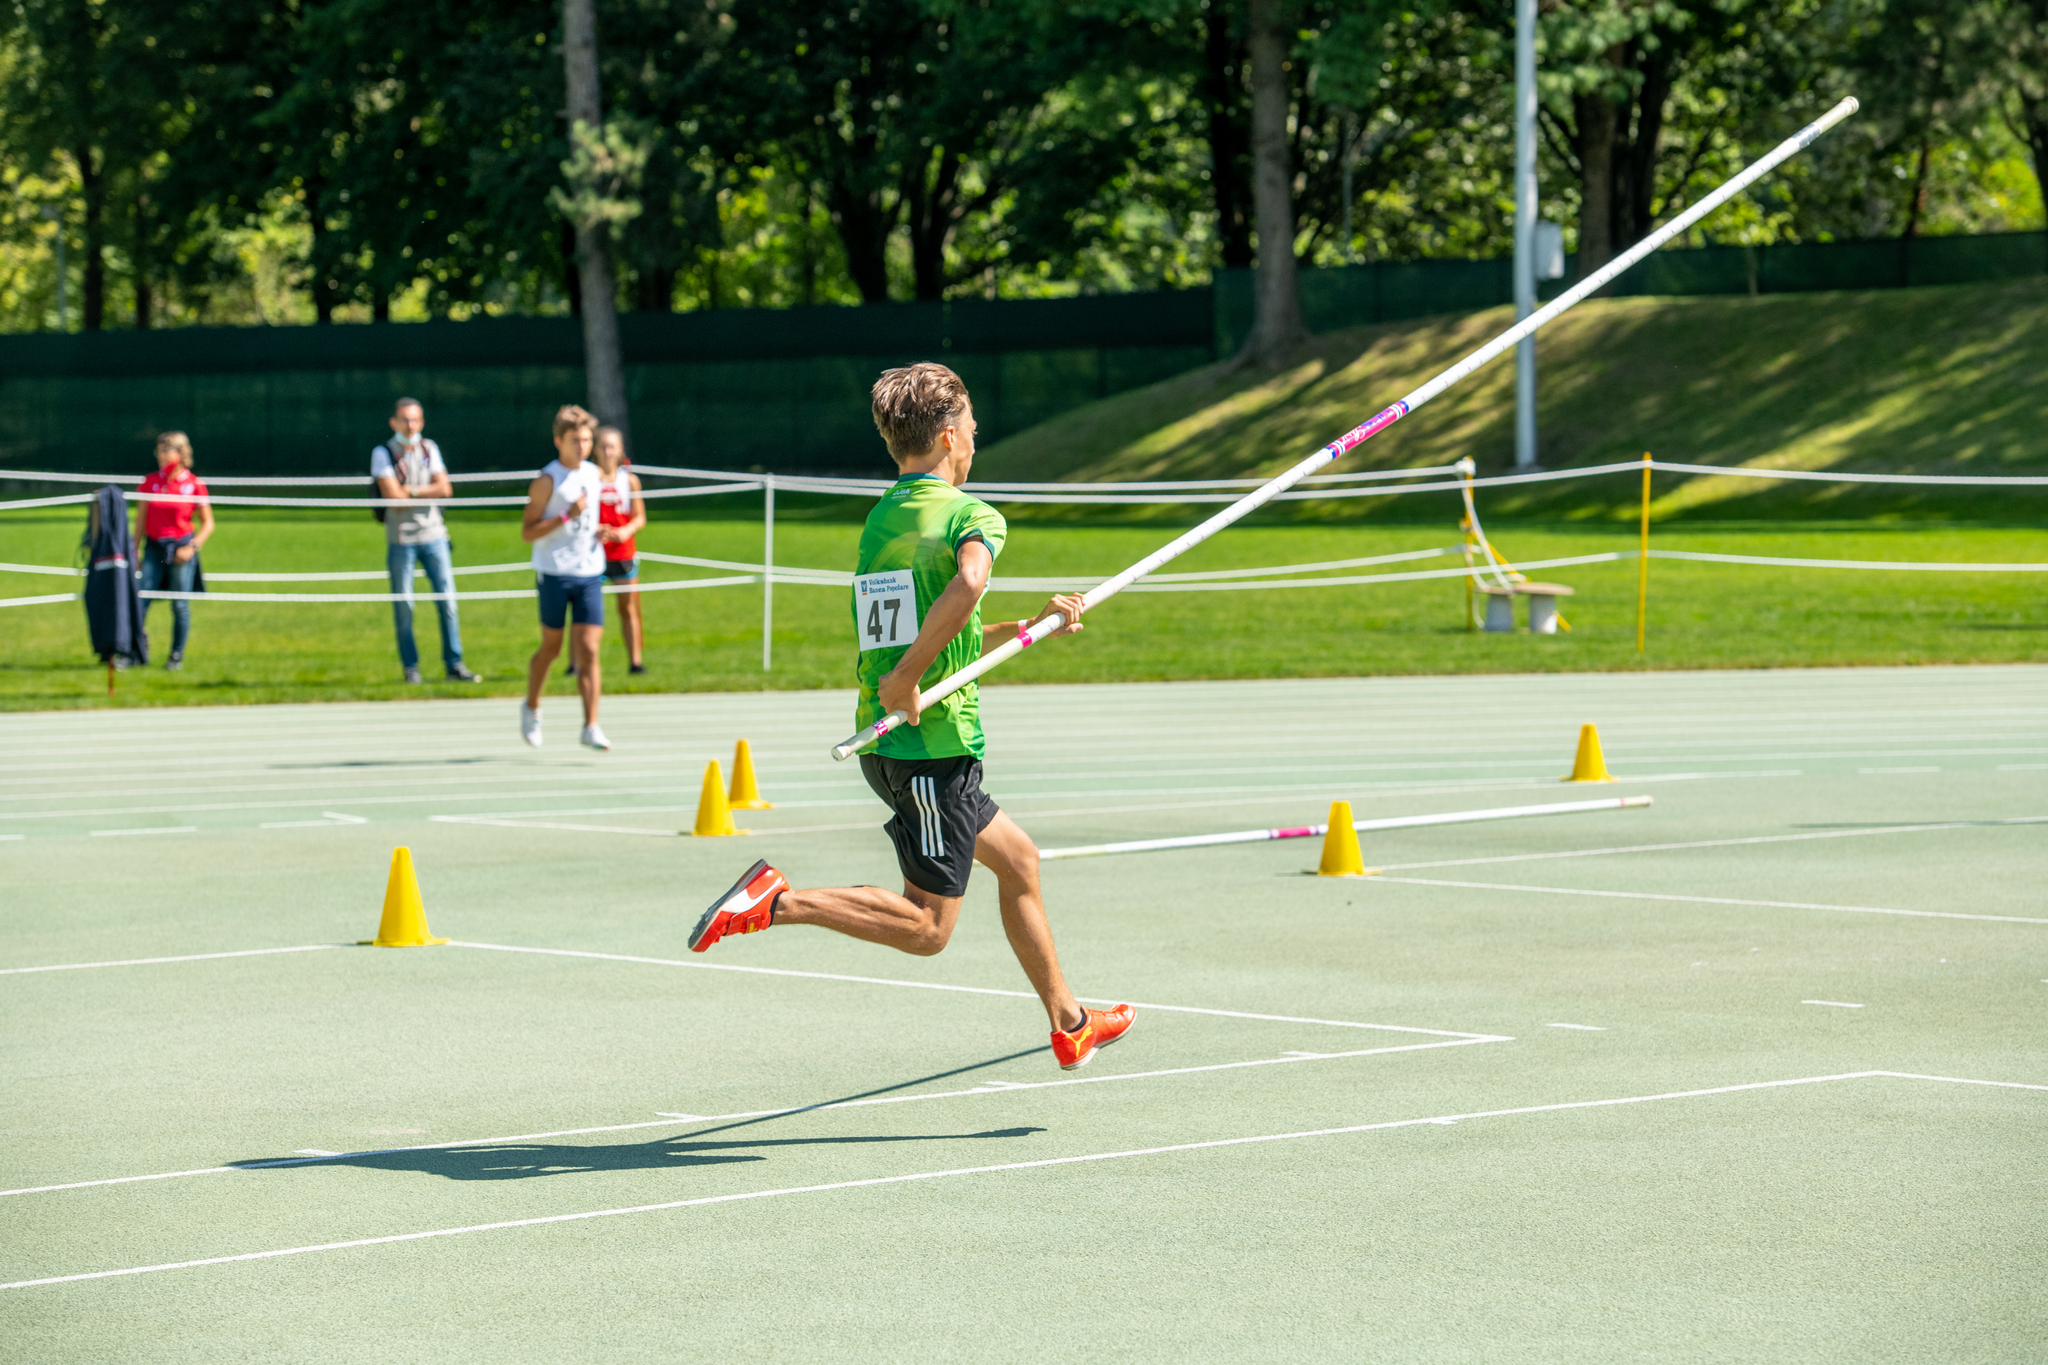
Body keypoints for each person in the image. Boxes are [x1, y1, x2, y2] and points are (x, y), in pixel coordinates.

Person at [687, 363, 1134, 1072]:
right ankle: (780, 901)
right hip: (931, 748)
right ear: (950, 435)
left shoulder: (884, 519)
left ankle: (1070, 1021)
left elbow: (938, 626)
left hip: (895, 738)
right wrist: (907, 677)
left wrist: (1031, 624)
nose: (978, 437)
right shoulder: (971, 516)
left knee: (1019, 860)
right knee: (928, 927)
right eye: (974, 427)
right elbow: (968, 584)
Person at [520, 405, 610, 752]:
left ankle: (591, 725)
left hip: (589, 572)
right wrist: (565, 516)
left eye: (587, 440)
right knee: (552, 649)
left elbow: (589, 520)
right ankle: (531, 708)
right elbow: (528, 532)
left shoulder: (594, 474)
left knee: (589, 649)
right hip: (555, 573)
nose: (583, 447)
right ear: (559, 441)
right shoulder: (547, 480)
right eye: (575, 440)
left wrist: (598, 531)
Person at [373, 397, 480, 685]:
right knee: (405, 606)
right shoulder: (383, 453)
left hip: (435, 536)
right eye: (405, 419)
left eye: (415, 419)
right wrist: (421, 491)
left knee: (448, 602)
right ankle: (411, 668)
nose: (411, 425)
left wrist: (411, 491)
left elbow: (445, 489)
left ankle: (454, 664)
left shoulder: (429, 448)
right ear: (393, 422)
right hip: (402, 540)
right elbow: (392, 497)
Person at [570, 425, 648, 676]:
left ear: (620, 449)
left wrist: (625, 531)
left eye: (612, 446)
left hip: (623, 553)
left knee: (628, 608)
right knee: (583, 610)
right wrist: (594, 529)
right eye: (603, 446)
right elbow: (576, 514)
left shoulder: (629, 480)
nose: (607, 452)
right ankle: (574, 664)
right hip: (593, 553)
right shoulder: (587, 478)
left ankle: (635, 662)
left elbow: (639, 517)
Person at [132, 431, 212, 671]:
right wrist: (134, 551)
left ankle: (176, 655)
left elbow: (208, 523)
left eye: (167, 450)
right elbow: (140, 521)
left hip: (181, 550)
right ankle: (136, 650)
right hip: (154, 548)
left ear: (181, 452)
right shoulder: (148, 482)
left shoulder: (194, 484)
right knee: (140, 600)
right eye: (159, 450)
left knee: (179, 605)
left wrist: (191, 548)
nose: (162, 455)